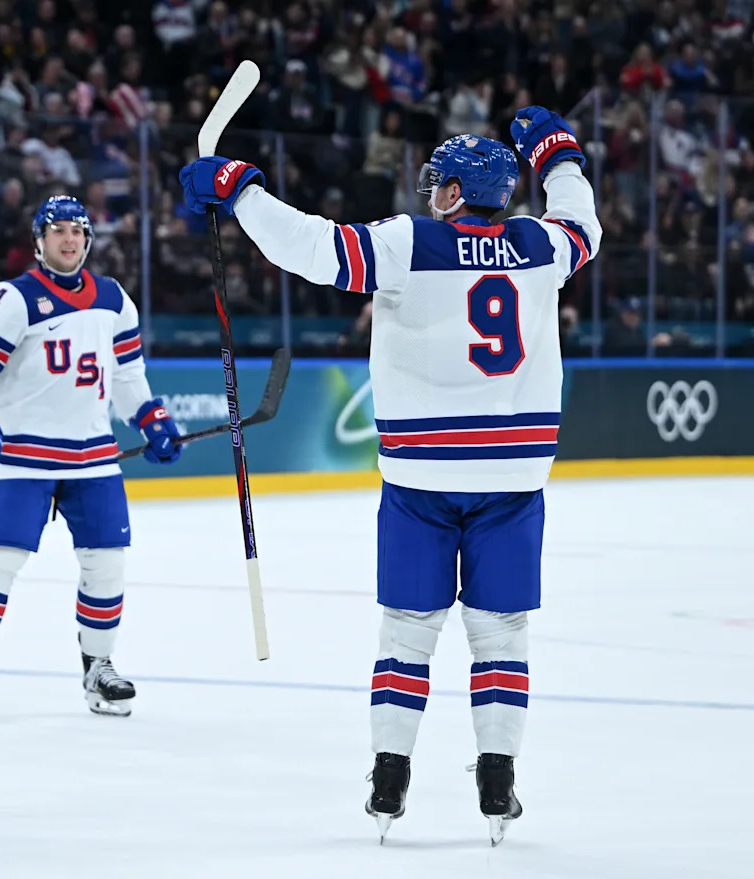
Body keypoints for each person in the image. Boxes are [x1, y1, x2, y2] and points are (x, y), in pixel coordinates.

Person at [180, 107, 601, 845]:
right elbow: (582, 220)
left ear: (456, 192)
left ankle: (389, 770)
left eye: (439, 183)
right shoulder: (540, 245)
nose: (428, 191)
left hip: (420, 474)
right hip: (514, 473)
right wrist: (558, 153)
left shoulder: (410, 242)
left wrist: (239, 189)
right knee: (501, 631)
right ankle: (497, 772)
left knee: (407, 629)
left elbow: (313, 247)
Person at [0, 194, 182, 720]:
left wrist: (150, 417)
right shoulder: (13, 298)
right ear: (39, 241)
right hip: (21, 456)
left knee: (107, 565)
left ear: (88, 240)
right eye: (58, 232)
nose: (69, 239)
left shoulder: (115, 299)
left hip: (93, 457)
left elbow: (125, 375)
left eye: (77, 231)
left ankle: (99, 667)